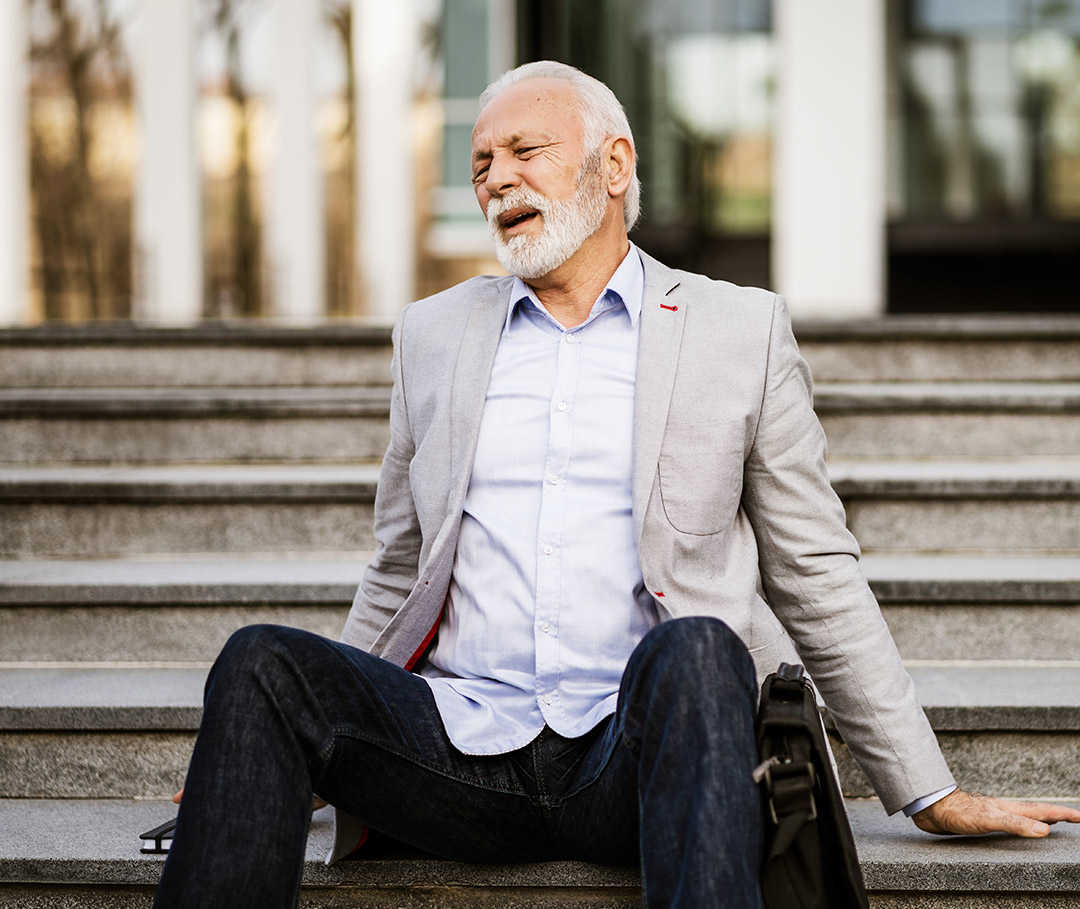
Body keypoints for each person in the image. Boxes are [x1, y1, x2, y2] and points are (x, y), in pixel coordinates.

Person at [153, 61, 1080, 909]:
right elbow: (400, 569)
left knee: (702, 649)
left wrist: (927, 786)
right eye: (481, 163)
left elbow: (816, 567)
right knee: (261, 661)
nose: (497, 178)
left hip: (637, 753)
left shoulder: (736, 330)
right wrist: (276, 755)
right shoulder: (433, 336)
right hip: (456, 750)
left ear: (615, 164)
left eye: (525, 150)